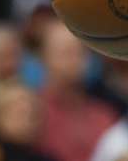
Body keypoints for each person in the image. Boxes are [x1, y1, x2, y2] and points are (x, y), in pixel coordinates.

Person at [36, 23, 116, 161]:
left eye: (81, 52)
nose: (76, 60)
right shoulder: (31, 114)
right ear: (44, 57)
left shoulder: (104, 115)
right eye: (66, 52)